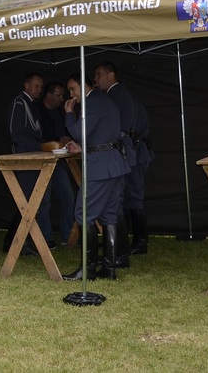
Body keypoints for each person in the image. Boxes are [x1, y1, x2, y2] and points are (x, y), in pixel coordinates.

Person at [63, 73, 130, 280]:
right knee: (109, 215)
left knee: (84, 214)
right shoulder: (105, 100)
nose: (71, 94)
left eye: (72, 89)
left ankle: (88, 269)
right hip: (113, 163)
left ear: (84, 86)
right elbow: (102, 135)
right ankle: (108, 269)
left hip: (99, 166)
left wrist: (69, 114)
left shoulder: (91, 103)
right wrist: (84, 147)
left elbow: (79, 132)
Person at [94, 61, 155, 261]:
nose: (95, 79)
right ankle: (132, 241)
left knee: (130, 197)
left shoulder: (115, 96)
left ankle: (137, 242)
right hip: (135, 150)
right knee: (130, 197)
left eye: (99, 75)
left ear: (111, 75)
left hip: (133, 152)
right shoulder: (123, 95)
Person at [6, 72, 53, 253]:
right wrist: (39, 146)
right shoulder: (19, 103)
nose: (39, 90)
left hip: (33, 157)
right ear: (26, 85)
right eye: (36, 86)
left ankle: (17, 241)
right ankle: (17, 242)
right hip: (25, 159)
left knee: (30, 201)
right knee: (26, 202)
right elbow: (16, 134)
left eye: (41, 87)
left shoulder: (30, 104)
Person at [37, 80, 76, 247]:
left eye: (63, 95)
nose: (62, 99)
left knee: (68, 197)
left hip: (60, 160)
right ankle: (46, 239)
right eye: (59, 95)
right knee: (43, 201)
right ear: (49, 95)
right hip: (43, 160)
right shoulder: (37, 110)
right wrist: (55, 139)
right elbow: (38, 136)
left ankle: (68, 237)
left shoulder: (60, 111)